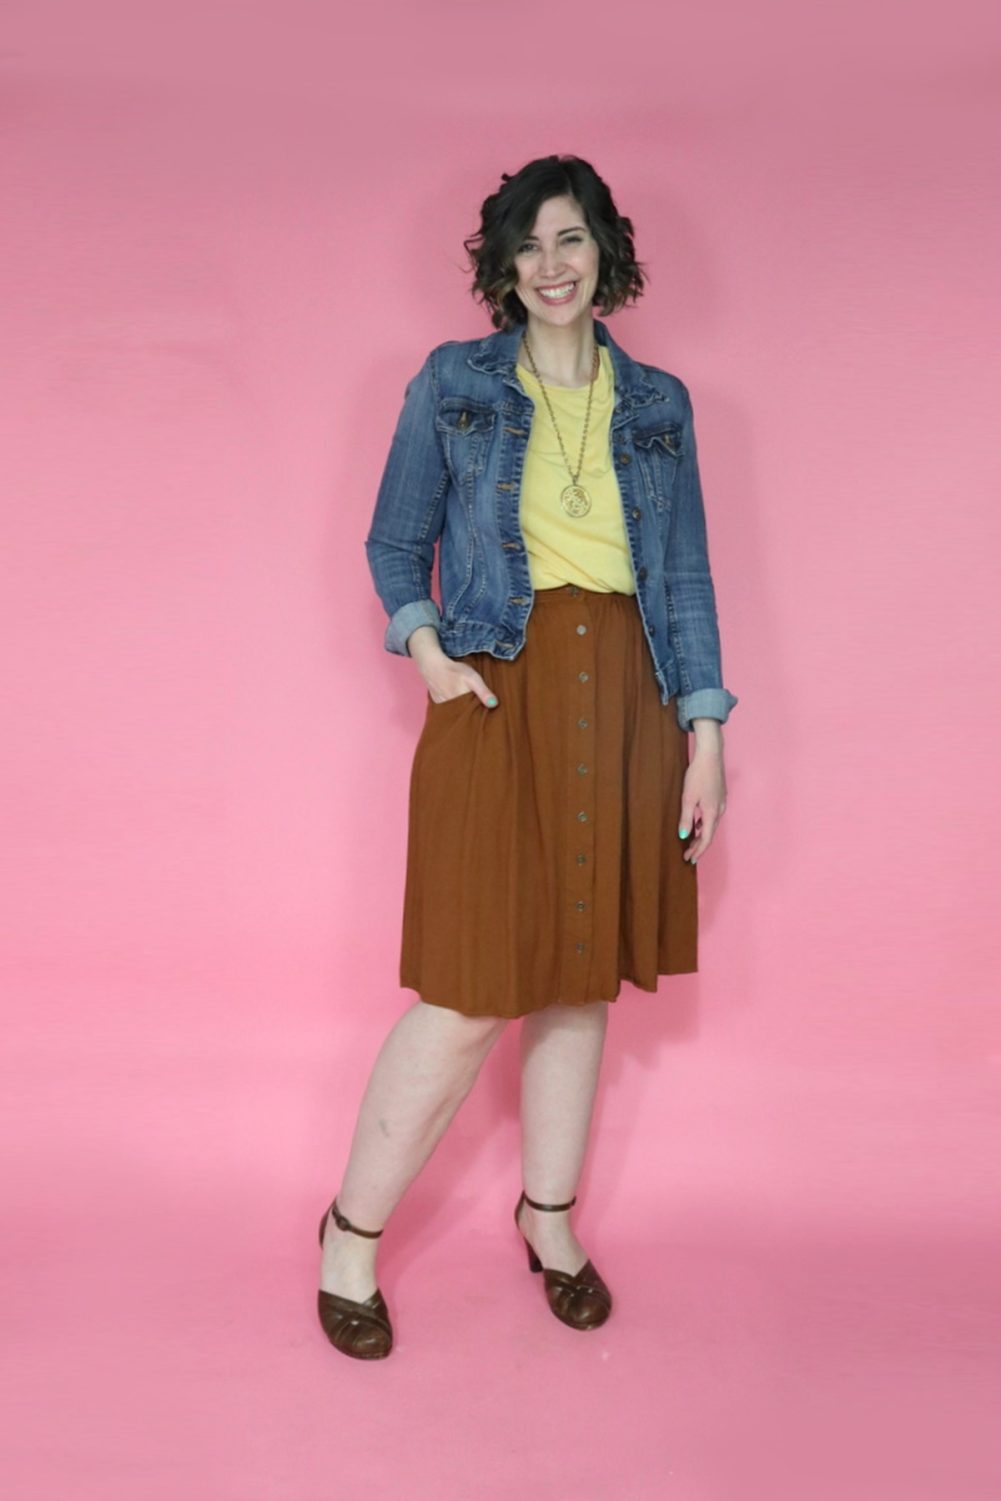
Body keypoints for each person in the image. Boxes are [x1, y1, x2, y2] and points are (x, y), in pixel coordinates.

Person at [317, 154, 738, 1359]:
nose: (550, 266)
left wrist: (704, 733)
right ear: (501, 267)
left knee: (576, 978)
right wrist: (430, 659)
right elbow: (393, 542)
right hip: (496, 685)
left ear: (605, 252)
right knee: (464, 994)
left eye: (570, 240)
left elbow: (684, 576)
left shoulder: (658, 403)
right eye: (527, 245)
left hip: (628, 697)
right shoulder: (453, 382)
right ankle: (349, 1233)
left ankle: (546, 1219)